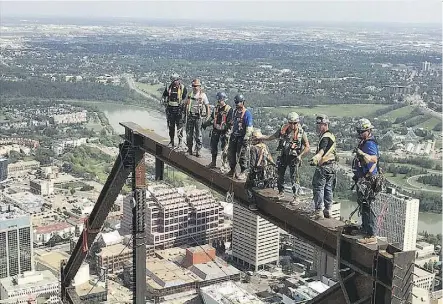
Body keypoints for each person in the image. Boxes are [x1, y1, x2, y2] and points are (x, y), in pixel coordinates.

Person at [264, 112, 310, 202]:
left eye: (295, 123)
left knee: (294, 177)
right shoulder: (283, 129)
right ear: (288, 122)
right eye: (291, 123)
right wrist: (262, 138)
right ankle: (281, 192)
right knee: (280, 174)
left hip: (294, 157)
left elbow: (307, 147)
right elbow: (272, 136)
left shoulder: (301, 132)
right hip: (283, 155)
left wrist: (300, 156)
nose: (293, 125)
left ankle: (296, 197)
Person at [352, 118, 380, 245]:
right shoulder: (364, 142)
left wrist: (363, 155)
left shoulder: (369, 144)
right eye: (359, 131)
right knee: (364, 205)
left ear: (368, 131)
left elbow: (374, 159)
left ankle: (372, 234)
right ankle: (365, 228)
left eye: (362, 131)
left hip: (368, 179)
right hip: (363, 179)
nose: (360, 133)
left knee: (368, 206)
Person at [309, 114, 337, 220]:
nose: (317, 127)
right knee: (328, 188)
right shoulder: (331, 135)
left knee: (318, 187)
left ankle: (319, 211)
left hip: (324, 166)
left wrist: (316, 158)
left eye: (319, 125)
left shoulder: (325, 137)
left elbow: (322, 150)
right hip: (331, 166)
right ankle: (328, 210)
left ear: (325, 124)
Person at [245, 129, 276, 211]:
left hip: (258, 172)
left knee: (248, 186)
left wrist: (249, 174)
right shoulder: (264, 146)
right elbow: (270, 159)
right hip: (267, 172)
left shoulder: (254, 148)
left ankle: (253, 203)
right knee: (266, 186)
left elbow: (252, 163)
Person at [202, 92, 233, 168]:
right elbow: (212, 118)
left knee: (224, 148)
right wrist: (206, 124)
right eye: (218, 100)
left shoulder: (229, 109)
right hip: (216, 129)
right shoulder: (216, 108)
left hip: (224, 131)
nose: (218, 101)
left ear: (223, 99)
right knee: (213, 145)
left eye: (220, 100)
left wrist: (227, 130)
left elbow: (229, 122)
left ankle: (224, 164)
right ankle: (213, 162)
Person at [226, 94, 253, 180]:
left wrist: (246, 137)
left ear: (243, 102)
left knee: (242, 155)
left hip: (242, 137)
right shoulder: (235, 112)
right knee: (231, 153)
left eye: (238, 102)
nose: (237, 104)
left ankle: (243, 171)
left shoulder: (247, 113)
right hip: (234, 135)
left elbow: (249, 127)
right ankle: (232, 169)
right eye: (236, 102)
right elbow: (232, 122)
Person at [185, 79, 210, 157]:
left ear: (199, 86)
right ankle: (189, 149)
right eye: (193, 86)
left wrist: (207, 117)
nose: (194, 87)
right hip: (190, 116)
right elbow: (187, 104)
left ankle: (198, 150)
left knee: (198, 134)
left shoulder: (203, 95)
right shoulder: (190, 94)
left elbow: (207, 107)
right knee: (189, 134)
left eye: (196, 86)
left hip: (198, 117)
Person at [161, 73, 187, 147]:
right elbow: (164, 96)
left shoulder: (183, 88)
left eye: (176, 80)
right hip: (170, 110)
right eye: (173, 80)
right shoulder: (168, 87)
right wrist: (164, 102)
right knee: (171, 127)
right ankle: (171, 141)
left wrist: (183, 107)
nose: (175, 82)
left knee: (179, 127)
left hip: (179, 110)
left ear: (179, 80)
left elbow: (185, 99)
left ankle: (180, 142)